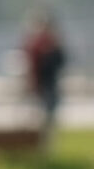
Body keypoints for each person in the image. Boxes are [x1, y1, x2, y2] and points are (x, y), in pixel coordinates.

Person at [19, 10, 67, 141]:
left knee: (49, 118)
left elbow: (61, 62)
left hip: (50, 85)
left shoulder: (54, 44)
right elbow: (30, 66)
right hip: (39, 86)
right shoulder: (35, 45)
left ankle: (45, 143)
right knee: (36, 118)